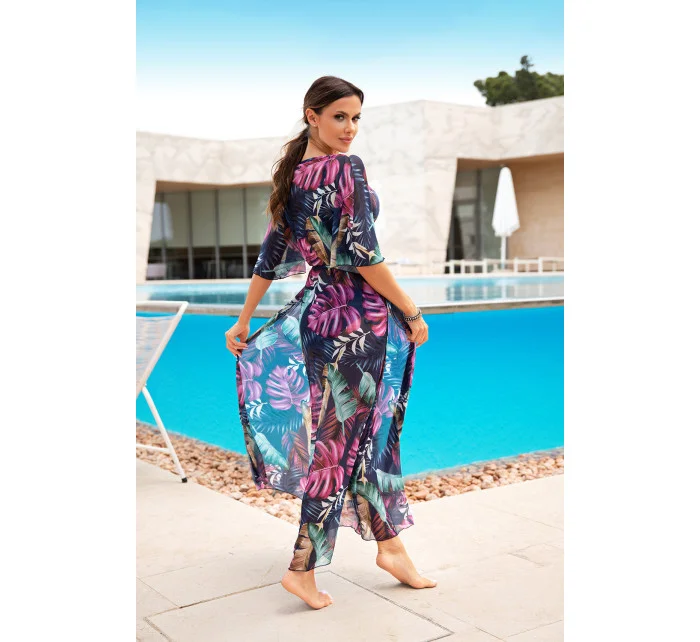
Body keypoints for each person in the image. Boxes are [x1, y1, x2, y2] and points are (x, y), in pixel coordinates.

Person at [225, 76, 435, 610]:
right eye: (340, 116)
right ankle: (302, 567)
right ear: (311, 116)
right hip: (356, 321)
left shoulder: (292, 178)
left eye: (357, 118)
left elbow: (270, 257)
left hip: (320, 318)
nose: (350, 128)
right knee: (341, 443)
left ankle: (391, 547)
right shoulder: (345, 169)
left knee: (358, 436)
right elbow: (364, 255)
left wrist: (243, 321)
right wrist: (411, 309)